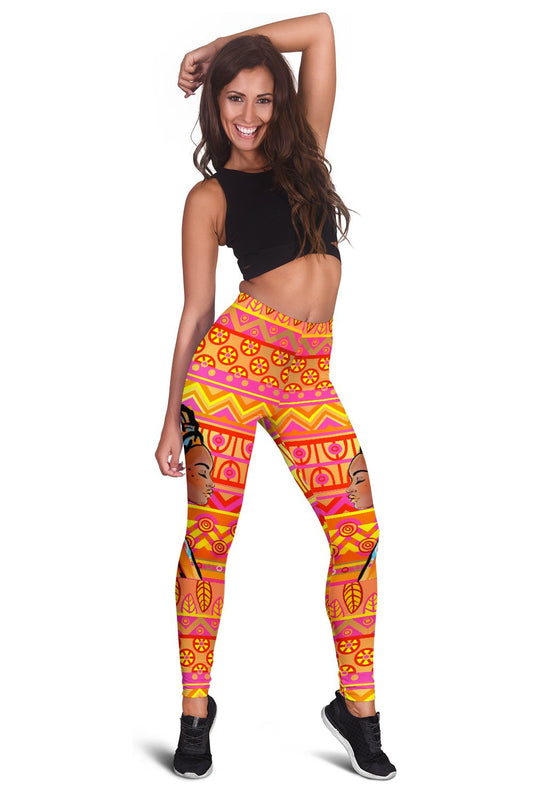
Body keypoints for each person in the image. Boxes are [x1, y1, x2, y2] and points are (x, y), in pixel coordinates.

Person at [154, 12, 396, 781]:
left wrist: (215, 47)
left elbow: (320, 30)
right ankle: (195, 711)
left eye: (263, 98)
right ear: (214, 105)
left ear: (280, 104)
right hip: (229, 371)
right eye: (234, 97)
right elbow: (196, 312)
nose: (249, 114)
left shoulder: (305, 159)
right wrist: (170, 420)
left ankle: (356, 708)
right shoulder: (209, 195)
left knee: (358, 534)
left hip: (307, 380)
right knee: (210, 539)